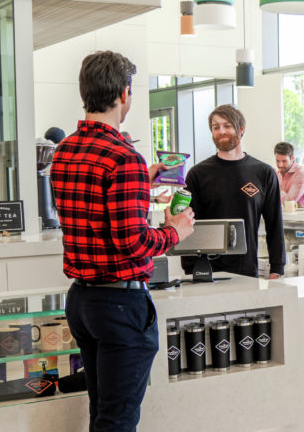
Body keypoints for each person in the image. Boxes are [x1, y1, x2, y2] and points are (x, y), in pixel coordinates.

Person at [51, 50, 195, 431]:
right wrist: (174, 232)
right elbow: (131, 243)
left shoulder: (65, 151)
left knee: (102, 413)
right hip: (120, 304)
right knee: (118, 421)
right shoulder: (122, 158)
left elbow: (91, 204)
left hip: (82, 300)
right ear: (125, 95)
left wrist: (142, 179)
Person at [183, 104, 286, 279]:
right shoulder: (198, 174)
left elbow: (275, 223)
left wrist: (277, 268)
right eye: (216, 127)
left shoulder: (264, 173)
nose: (221, 131)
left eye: (227, 126)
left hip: (247, 270)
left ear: (241, 129)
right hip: (206, 272)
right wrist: (190, 269)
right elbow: (188, 225)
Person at [274, 142, 304, 207]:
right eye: (277, 161)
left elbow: (288, 203)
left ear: (292, 158)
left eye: (284, 161)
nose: (280, 165)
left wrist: (276, 185)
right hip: (290, 215)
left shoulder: (301, 174)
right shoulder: (278, 173)